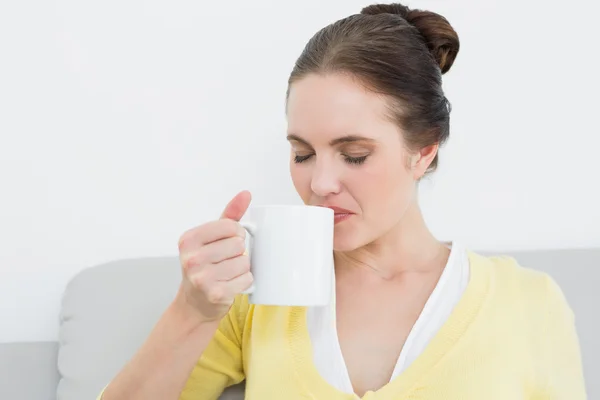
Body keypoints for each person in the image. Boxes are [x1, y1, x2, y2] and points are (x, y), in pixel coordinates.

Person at [99, 3, 587, 399]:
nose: (321, 183)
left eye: (354, 155)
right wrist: (191, 310)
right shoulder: (254, 295)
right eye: (303, 153)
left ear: (423, 152)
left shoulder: (526, 302)